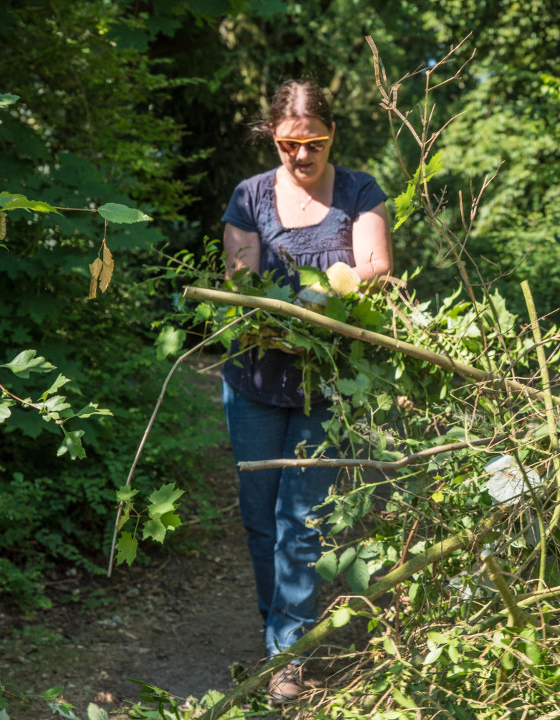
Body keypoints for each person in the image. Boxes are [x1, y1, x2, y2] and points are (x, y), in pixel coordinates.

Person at [220, 79, 391, 704]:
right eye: (290, 143)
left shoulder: (359, 192)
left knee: (301, 523)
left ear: (331, 136)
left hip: (329, 387)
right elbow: (238, 280)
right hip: (256, 381)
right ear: (275, 138)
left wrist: (326, 298)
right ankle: (278, 632)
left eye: (313, 142)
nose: (302, 155)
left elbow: (376, 268)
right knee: (260, 518)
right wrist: (273, 317)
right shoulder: (250, 196)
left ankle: (286, 657)